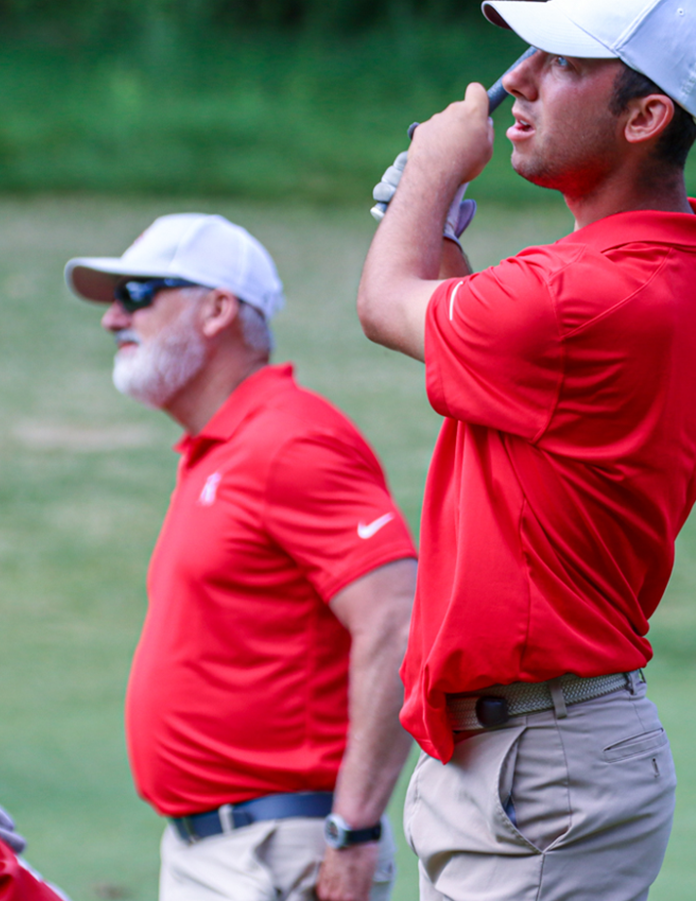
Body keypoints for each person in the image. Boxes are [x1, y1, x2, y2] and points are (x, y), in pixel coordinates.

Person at [356, 0, 696, 900]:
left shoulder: (575, 296)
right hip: (536, 754)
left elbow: (384, 304)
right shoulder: (693, 266)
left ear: (644, 118)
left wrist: (434, 173)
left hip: (542, 762)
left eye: (563, 62)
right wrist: (428, 210)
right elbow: (483, 332)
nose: (520, 79)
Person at [64, 213, 419, 901]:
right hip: (222, 850)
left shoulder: (290, 441)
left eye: (137, 295)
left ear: (218, 310)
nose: (112, 318)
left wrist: (353, 829)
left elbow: (398, 621)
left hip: (277, 854)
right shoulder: (223, 448)